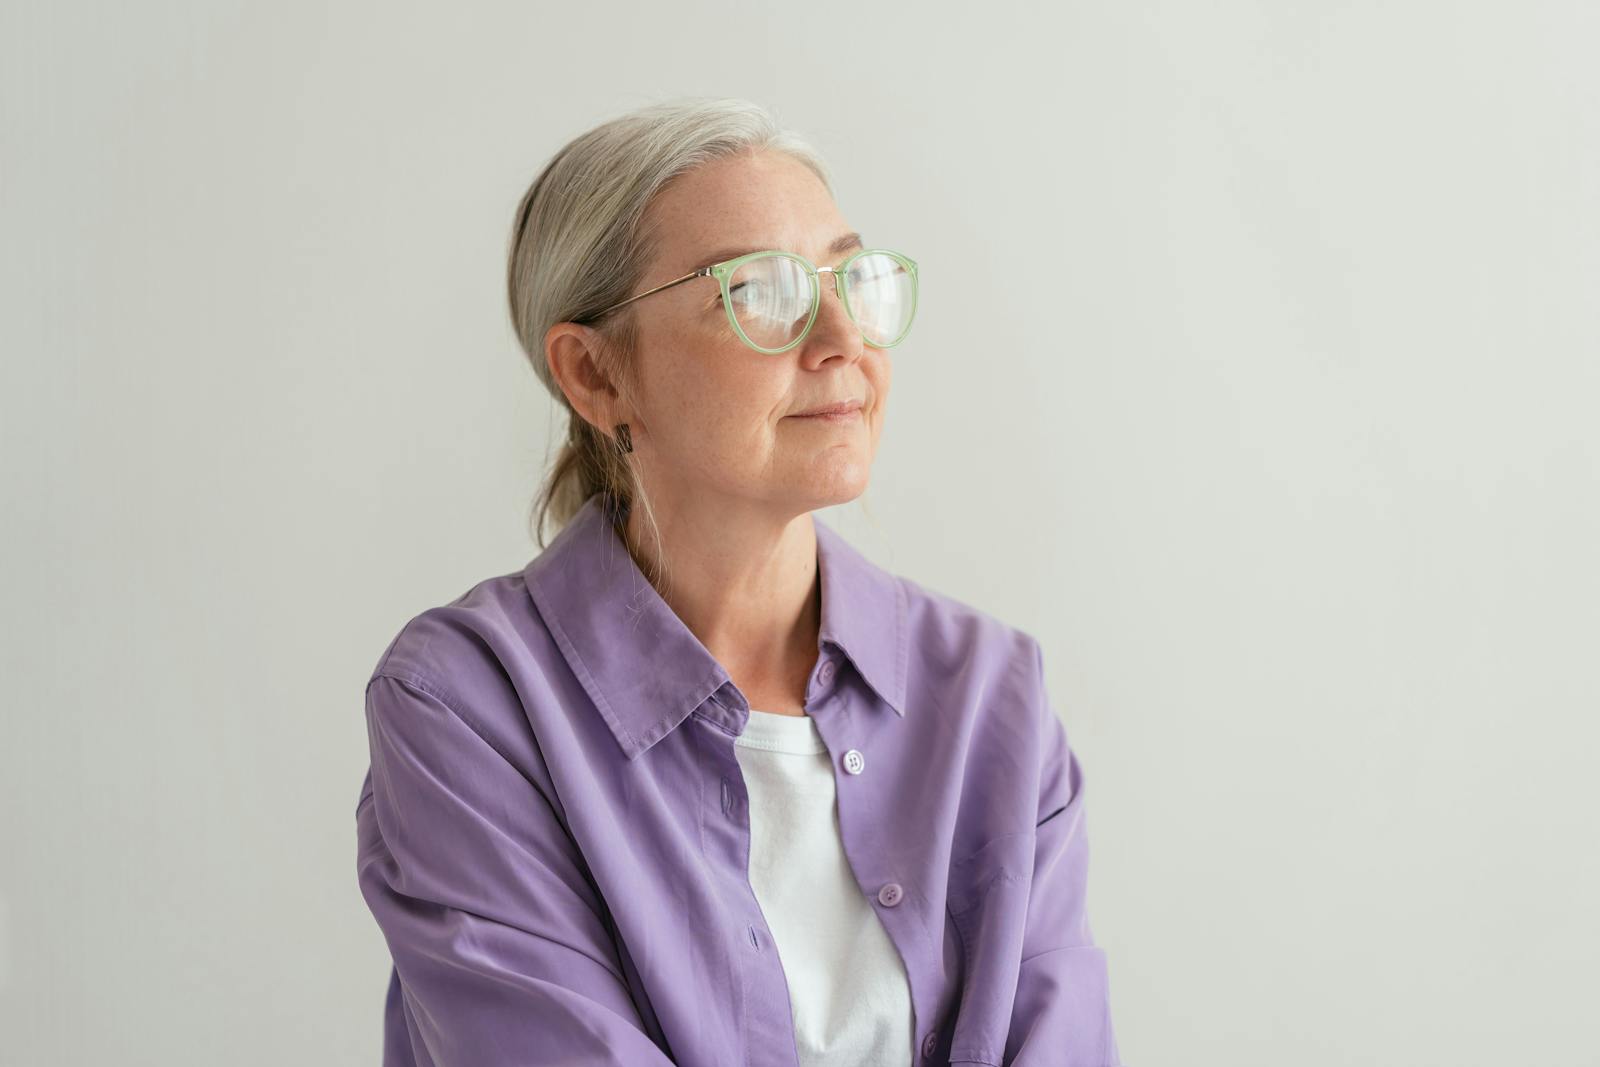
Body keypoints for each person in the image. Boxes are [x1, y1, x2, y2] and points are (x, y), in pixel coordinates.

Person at [354, 96, 1121, 1067]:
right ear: (594, 375)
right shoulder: (468, 707)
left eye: (851, 276)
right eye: (763, 291)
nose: (842, 335)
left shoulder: (990, 694)